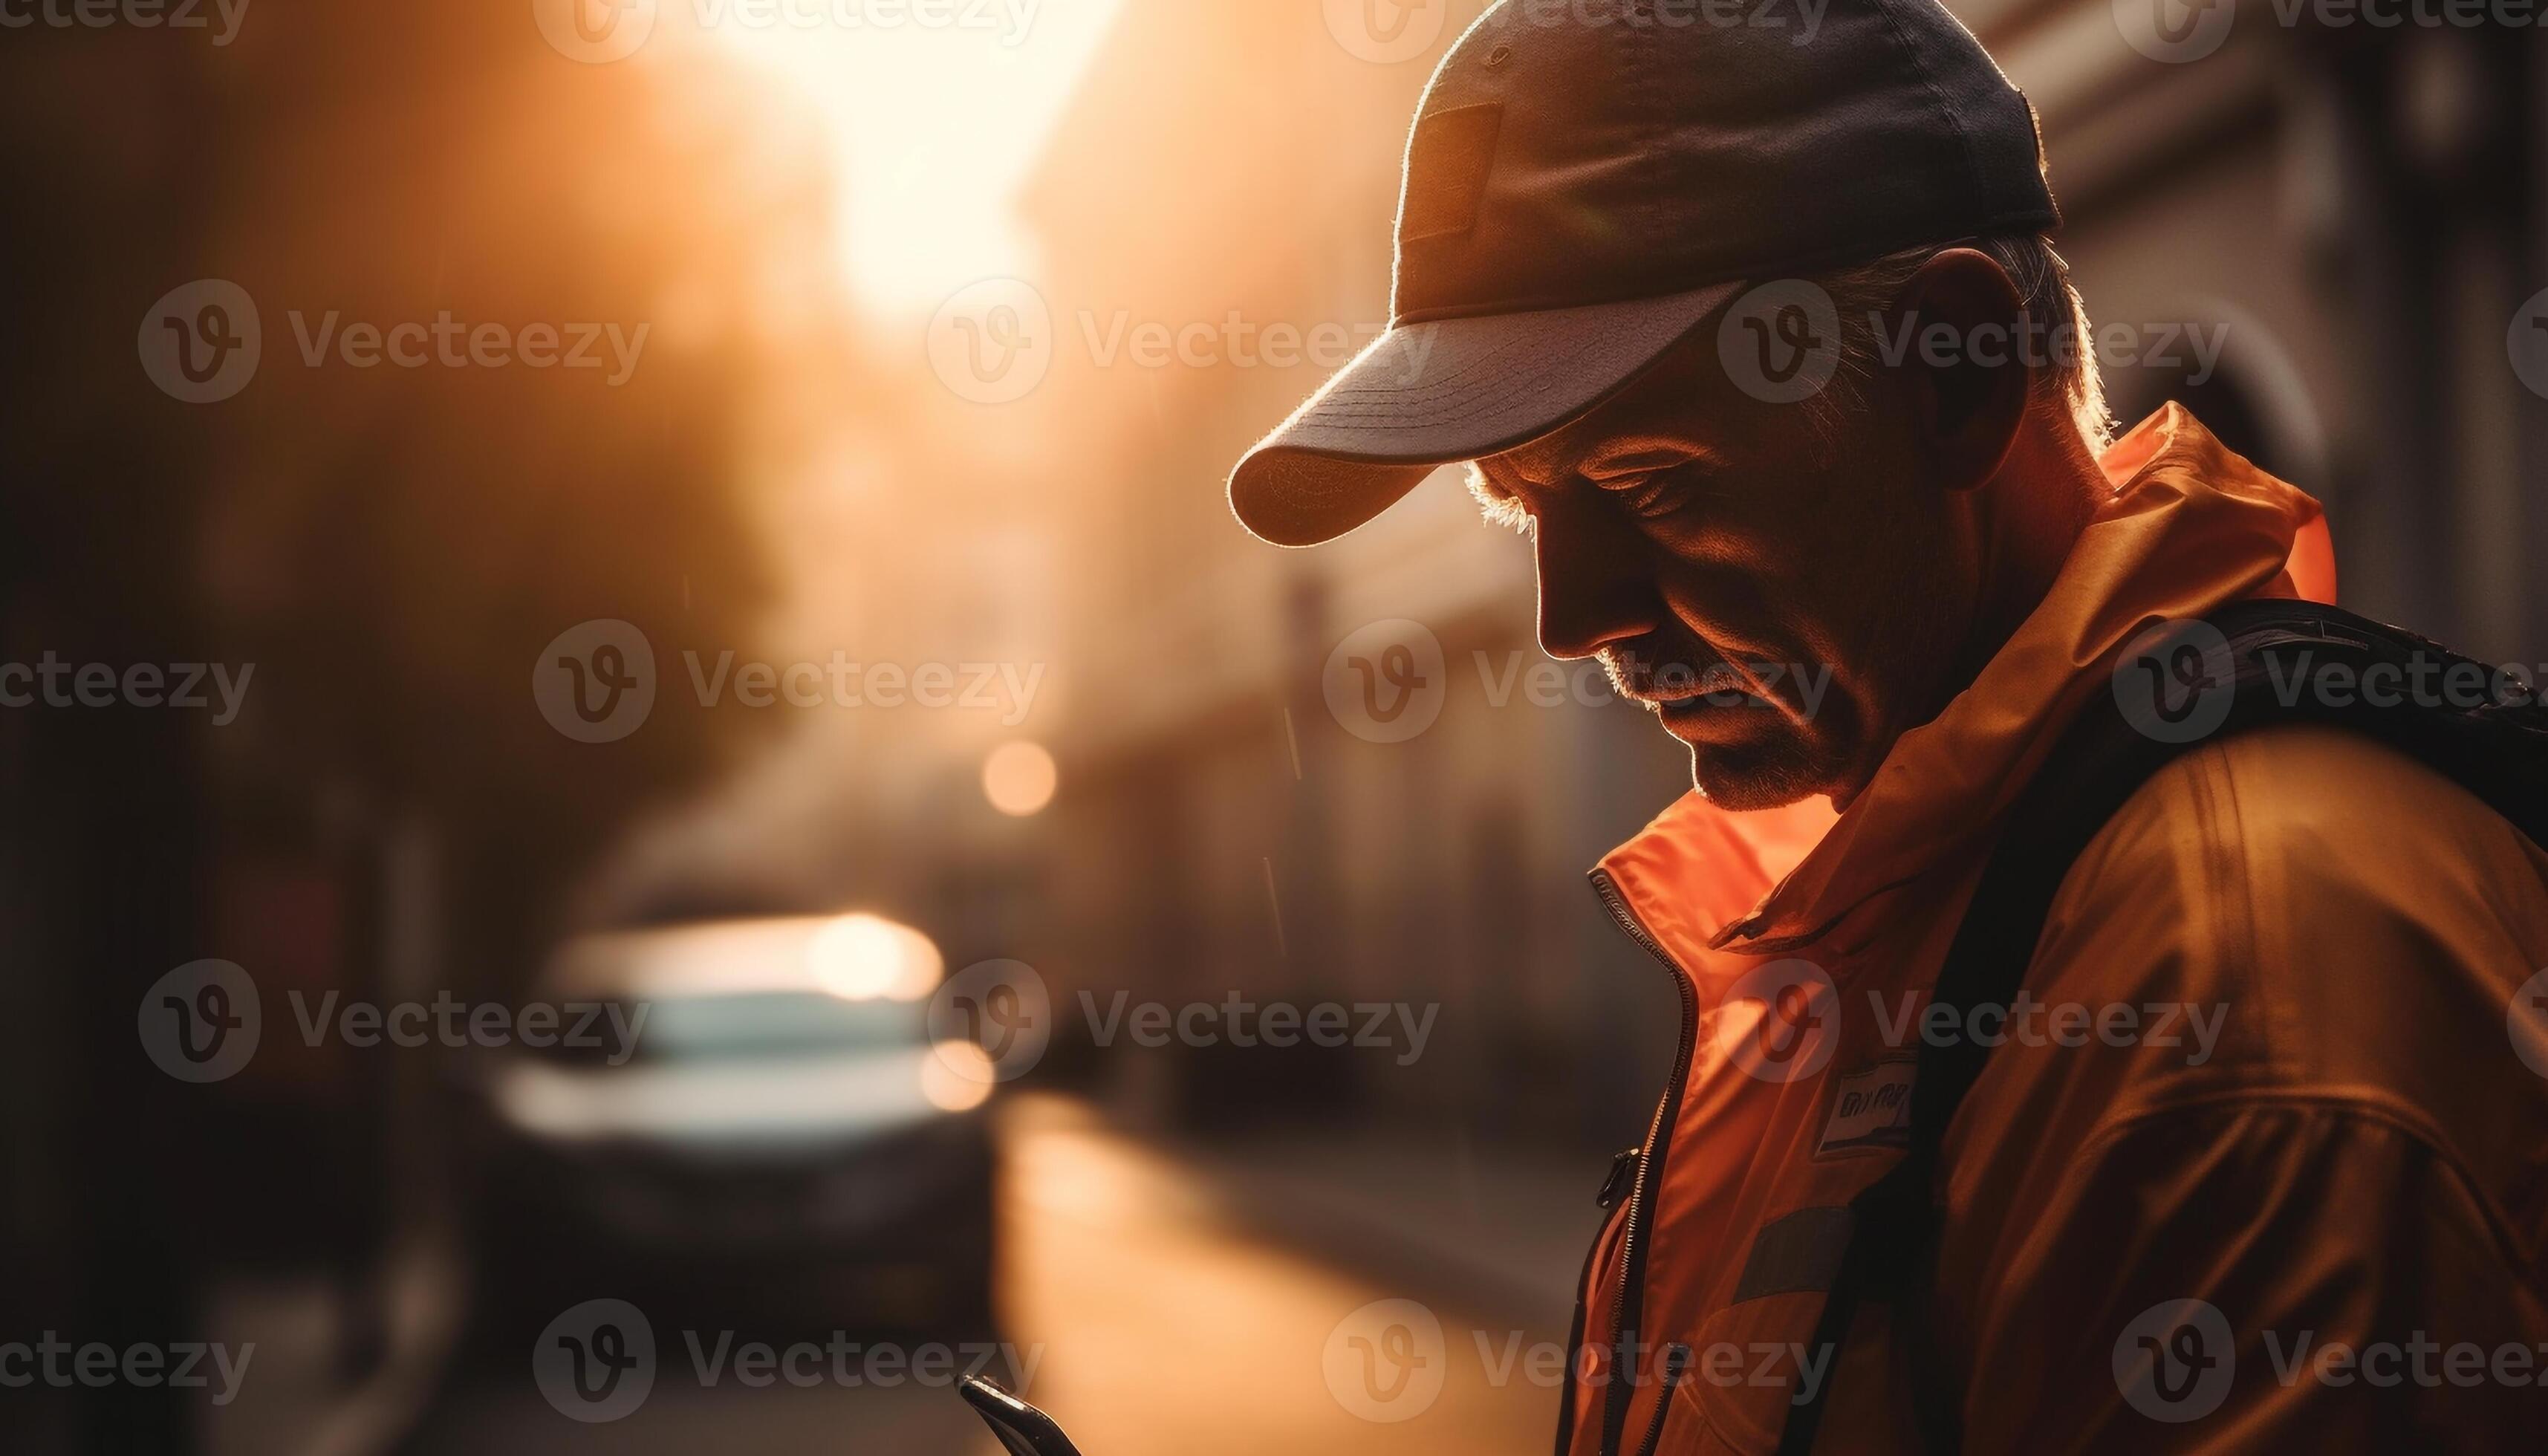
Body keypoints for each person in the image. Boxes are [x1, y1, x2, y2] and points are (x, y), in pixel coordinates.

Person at [1226, 2, 2548, 1451]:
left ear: (1954, 372)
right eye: (1527, 503)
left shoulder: (2241, 981)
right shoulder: (1927, 892)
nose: (1570, 613)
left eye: (1652, 483)